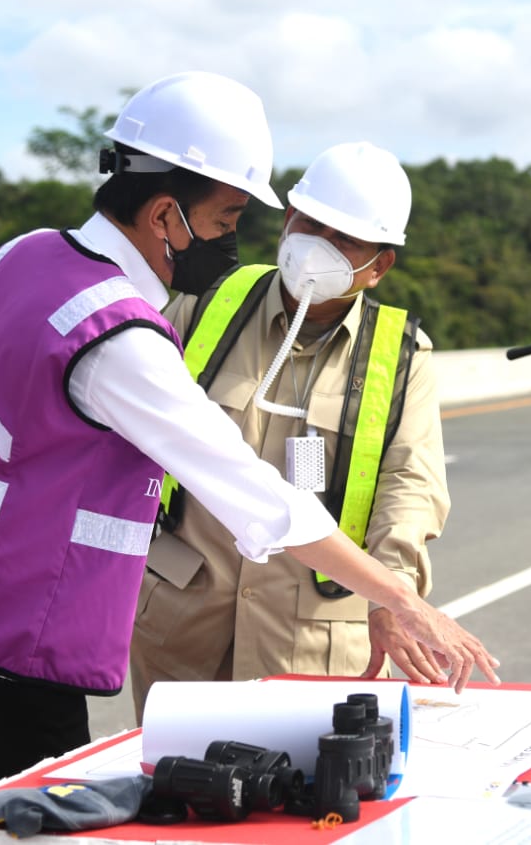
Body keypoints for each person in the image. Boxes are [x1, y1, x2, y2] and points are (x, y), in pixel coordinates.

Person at [0, 72, 499, 845]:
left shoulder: (21, 256)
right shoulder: (121, 334)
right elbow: (250, 489)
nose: (239, 238)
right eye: (229, 216)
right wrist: (402, 599)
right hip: (24, 642)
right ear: (165, 214)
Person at [129, 141, 448, 721]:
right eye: (308, 223)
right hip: (182, 621)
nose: (315, 246)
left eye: (343, 239)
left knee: (296, 800)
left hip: (313, 639)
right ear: (284, 220)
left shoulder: (401, 356)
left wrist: (391, 594)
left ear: (378, 266)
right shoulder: (205, 303)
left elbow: (410, 487)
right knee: (175, 789)